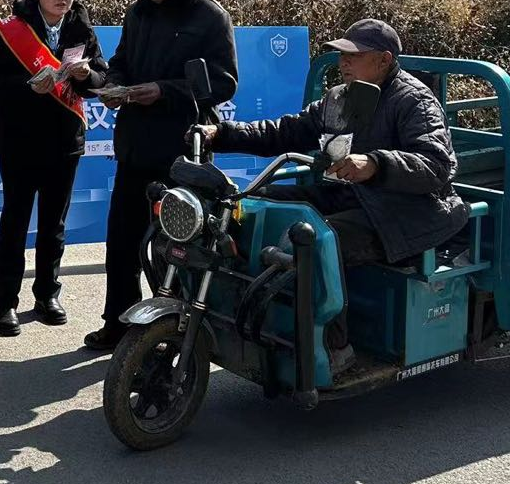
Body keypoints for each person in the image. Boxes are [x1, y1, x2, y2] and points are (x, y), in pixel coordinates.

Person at [197, 19, 470, 372]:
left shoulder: (413, 100)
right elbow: (285, 131)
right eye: (342, 55)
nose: (344, 63)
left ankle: (335, 348)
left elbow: (437, 166)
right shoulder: (340, 98)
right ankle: (257, 314)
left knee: (321, 242)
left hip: (407, 211)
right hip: (353, 196)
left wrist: (376, 163)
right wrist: (221, 134)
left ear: (384, 60)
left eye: (354, 56)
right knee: (253, 205)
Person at [85, 0, 238, 351]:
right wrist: (115, 86)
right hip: (135, 146)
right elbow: (120, 62)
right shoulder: (137, 13)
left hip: (182, 151)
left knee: (180, 247)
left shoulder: (210, 17)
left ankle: (177, 331)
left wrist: (164, 90)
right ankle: (118, 323)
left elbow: (224, 82)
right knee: (122, 242)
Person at [0, 0, 109, 337]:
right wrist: (28, 85)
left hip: (64, 141)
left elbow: (101, 77)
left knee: (54, 225)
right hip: (20, 141)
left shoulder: (81, 27)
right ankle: (6, 302)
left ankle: (47, 296)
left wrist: (87, 76)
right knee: (15, 223)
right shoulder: (13, 31)